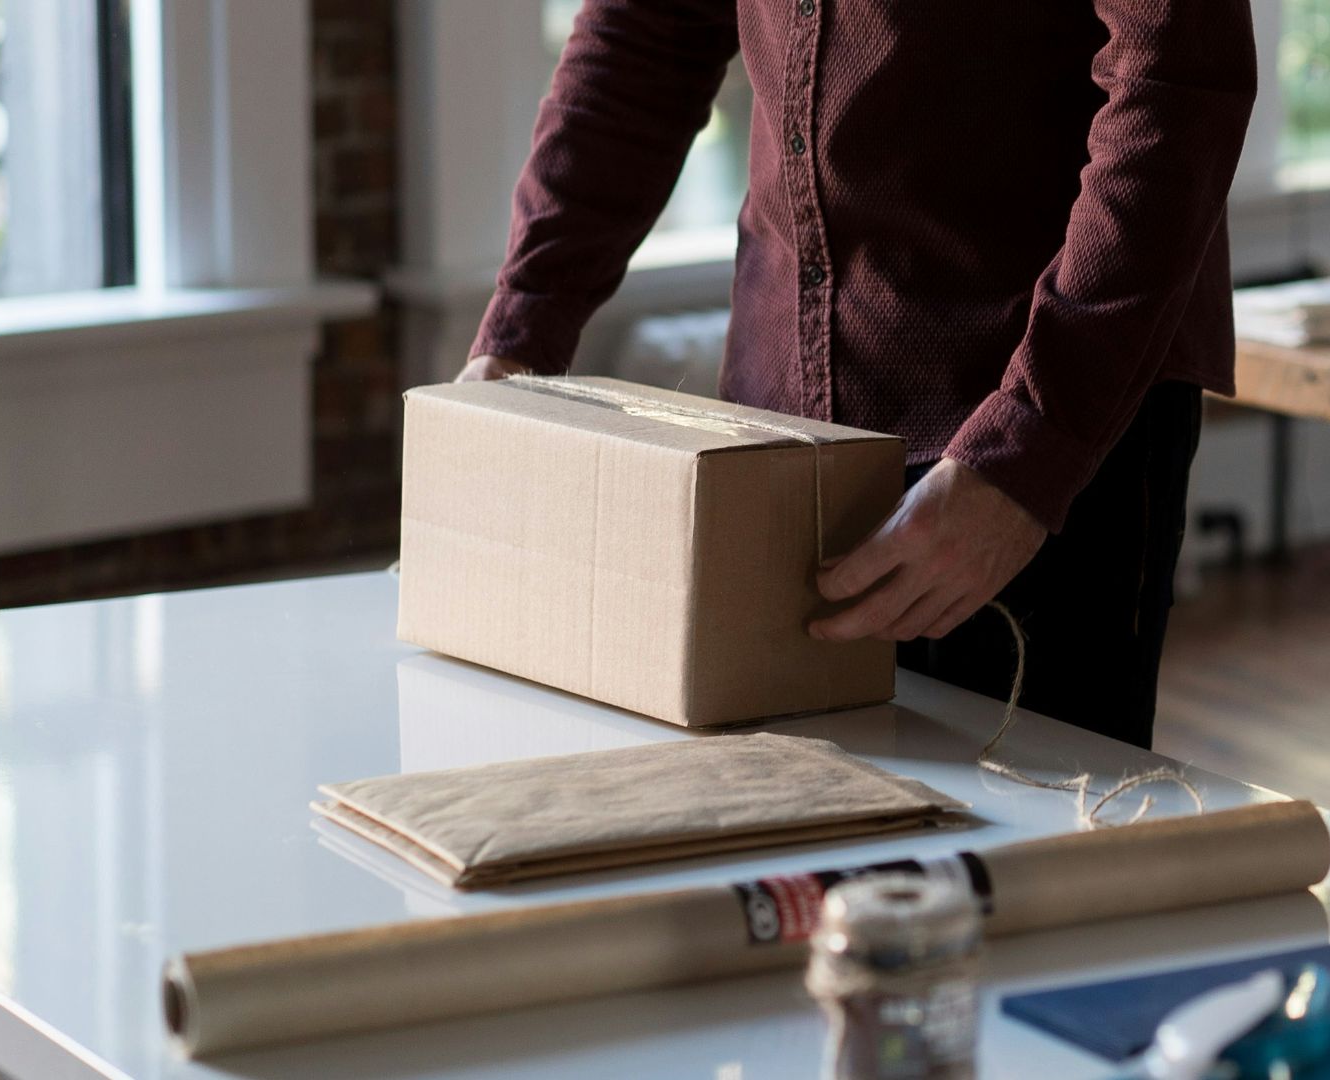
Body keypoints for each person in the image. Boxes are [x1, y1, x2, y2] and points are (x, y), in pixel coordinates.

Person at [458, 2, 1257, 748]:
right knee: (790, 850)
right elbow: (644, 36)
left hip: (1035, 431)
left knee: (1025, 870)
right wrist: (520, 333)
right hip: (777, 425)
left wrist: (1026, 455)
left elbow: (1175, 85)